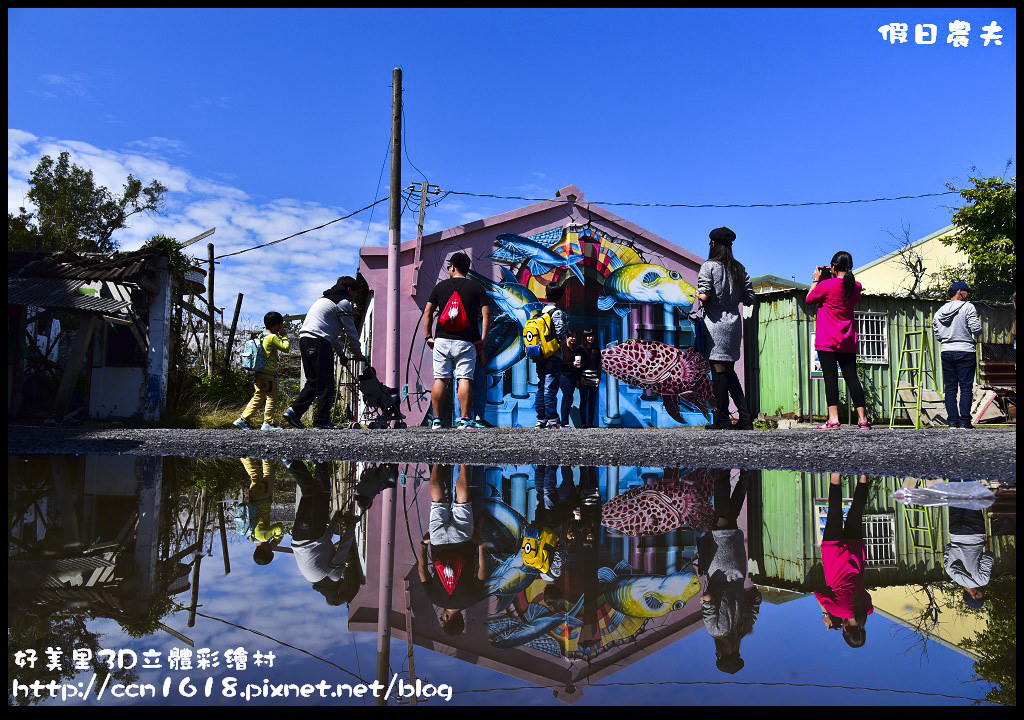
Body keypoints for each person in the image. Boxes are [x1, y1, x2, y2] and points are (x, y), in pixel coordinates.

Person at [283, 276, 366, 431]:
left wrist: (341, 355)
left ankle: (294, 411)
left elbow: (330, 333)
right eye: (355, 292)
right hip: (319, 342)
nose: (355, 296)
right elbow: (350, 330)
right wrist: (358, 352)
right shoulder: (343, 302)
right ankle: (322, 421)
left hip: (305, 340)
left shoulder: (324, 300)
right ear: (349, 289)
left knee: (314, 382)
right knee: (326, 383)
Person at [699, 469, 761, 674]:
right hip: (718, 567)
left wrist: (740, 595)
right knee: (721, 518)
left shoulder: (745, 628)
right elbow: (708, 600)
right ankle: (722, 472)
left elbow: (757, 599)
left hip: (737, 567)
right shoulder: (715, 630)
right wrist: (706, 598)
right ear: (721, 654)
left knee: (730, 519)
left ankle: (745, 475)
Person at [416, 464, 487, 635]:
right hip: (439, 542)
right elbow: (422, 572)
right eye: (442, 618)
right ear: (447, 618)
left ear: (461, 618)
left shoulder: (471, 599)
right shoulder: (435, 598)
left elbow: (482, 572)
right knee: (438, 503)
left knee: (462, 503)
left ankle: (463, 462)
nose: (441, 616)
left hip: (463, 541)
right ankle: (437, 463)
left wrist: (481, 545)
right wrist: (423, 546)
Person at [423, 252, 491, 429]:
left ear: (452, 267)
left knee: (440, 379)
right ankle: (465, 419)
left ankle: (437, 420)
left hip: (442, 341)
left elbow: (428, 312)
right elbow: (486, 314)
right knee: (464, 378)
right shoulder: (477, 288)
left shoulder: (440, 287)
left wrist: (428, 336)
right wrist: (482, 339)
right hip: (466, 341)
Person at [697, 227, 756, 430]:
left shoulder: (709, 266)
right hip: (733, 323)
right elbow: (749, 298)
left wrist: (694, 295)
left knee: (718, 371)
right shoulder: (739, 268)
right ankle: (745, 417)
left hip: (714, 323)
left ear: (713, 244)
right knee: (729, 371)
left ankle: (722, 418)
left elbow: (704, 294)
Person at [285, 459, 364, 605]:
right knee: (309, 492)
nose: (344, 581)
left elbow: (343, 548)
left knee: (322, 492)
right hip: (298, 536)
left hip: (312, 535)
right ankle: (290, 462)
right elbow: (323, 542)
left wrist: (352, 524)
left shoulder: (333, 577)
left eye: (345, 585)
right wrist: (335, 521)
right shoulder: (313, 578)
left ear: (340, 590)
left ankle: (321, 461)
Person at [805, 251, 870, 429]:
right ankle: (862, 419)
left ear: (833, 267)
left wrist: (816, 280)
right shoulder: (856, 286)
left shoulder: (826, 286)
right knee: (852, 378)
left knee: (831, 378)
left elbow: (809, 299)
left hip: (827, 339)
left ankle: (833, 419)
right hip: (847, 339)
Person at [814, 473, 873, 648]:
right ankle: (836, 474)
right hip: (834, 554)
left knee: (856, 512)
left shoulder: (867, 610)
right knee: (834, 512)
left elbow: (862, 594)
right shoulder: (836, 610)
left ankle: (863, 476)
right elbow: (818, 592)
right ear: (845, 631)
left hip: (854, 554)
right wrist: (827, 614)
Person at [933, 281, 982, 429]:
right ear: (960, 291)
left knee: (950, 388)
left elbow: (937, 333)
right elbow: (975, 328)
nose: (969, 294)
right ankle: (965, 422)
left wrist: (947, 338)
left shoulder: (940, 311)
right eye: (967, 291)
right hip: (965, 350)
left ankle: (953, 422)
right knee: (966, 387)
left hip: (947, 351)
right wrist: (978, 332)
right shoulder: (968, 307)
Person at [234, 311, 291, 430]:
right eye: (280, 325)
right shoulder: (272, 337)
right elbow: (286, 348)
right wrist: (284, 335)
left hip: (259, 373)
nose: (281, 328)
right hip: (269, 374)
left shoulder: (261, 336)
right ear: (276, 325)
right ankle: (268, 423)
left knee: (258, 396)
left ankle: (243, 419)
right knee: (272, 397)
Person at [943, 500, 993, 610]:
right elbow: (947, 550)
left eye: (982, 597)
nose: (983, 594)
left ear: (975, 596)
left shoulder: (982, 581)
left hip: (975, 533)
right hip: (955, 533)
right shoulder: (951, 574)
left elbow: (988, 556)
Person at [533, 283, 568, 428]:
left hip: (540, 355)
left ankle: (541, 419)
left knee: (541, 386)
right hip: (553, 355)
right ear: (560, 297)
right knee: (550, 387)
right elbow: (560, 334)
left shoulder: (539, 313)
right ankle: (552, 419)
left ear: (546, 296)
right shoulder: (556, 313)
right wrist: (565, 352)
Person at [239, 458, 284, 566]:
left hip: (263, 499)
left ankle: (266, 454)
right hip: (252, 499)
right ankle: (244, 457)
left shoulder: (264, 537)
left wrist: (276, 541)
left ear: (266, 550)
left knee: (268, 475)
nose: (272, 548)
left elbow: (279, 526)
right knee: (255, 476)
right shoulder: (251, 537)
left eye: (271, 550)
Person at [557, 329, 582, 428]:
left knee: (568, 398)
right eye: (571, 337)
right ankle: (564, 423)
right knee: (568, 398)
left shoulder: (573, 349)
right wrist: (573, 363)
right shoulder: (562, 348)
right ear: (567, 338)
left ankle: (564, 421)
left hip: (571, 376)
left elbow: (575, 367)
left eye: (575, 337)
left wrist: (577, 378)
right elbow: (560, 363)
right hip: (564, 376)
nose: (574, 339)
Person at [577, 328, 601, 428]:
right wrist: (580, 377)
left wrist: (599, 377)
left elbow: (599, 365)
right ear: (585, 337)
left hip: (594, 378)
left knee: (592, 401)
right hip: (583, 378)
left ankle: (590, 423)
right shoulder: (580, 349)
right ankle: (583, 423)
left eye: (591, 336)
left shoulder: (597, 349)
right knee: (583, 401)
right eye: (588, 336)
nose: (590, 338)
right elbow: (577, 365)